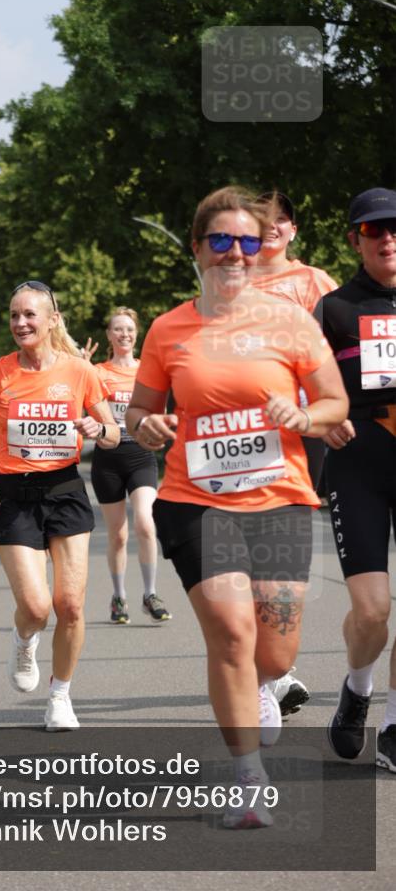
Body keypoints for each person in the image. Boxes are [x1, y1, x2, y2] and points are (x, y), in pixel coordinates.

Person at [126, 186, 347, 828]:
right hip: (196, 501)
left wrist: (304, 416)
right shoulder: (169, 329)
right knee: (230, 632)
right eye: (220, 240)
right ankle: (248, 781)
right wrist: (147, 426)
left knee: (273, 655)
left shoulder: (290, 322)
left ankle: (263, 688)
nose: (235, 252)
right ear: (198, 248)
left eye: (247, 240)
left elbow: (333, 402)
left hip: (279, 501)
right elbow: (139, 411)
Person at [0, 279, 120, 731]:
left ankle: (60, 696)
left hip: (65, 490)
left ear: (53, 320)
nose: (20, 323)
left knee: (70, 605)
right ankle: (24, 639)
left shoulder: (80, 371)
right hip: (14, 495)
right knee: (36, 607)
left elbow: (113, 433)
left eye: (30, 314)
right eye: (14, 315)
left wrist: (97, 430)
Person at [251, 191, 338, 717]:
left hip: (306, 427)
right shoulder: (232, 280)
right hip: (249, 429)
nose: (272, 227)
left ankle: (274, 670)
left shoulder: (314, 281)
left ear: (293, 229)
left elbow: (340, 345)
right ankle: (270, 673)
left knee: (283, 546)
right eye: (263, 220)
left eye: (281, 220)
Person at [321, 187, 396, 773]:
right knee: (373, 612)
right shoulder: (335, 309)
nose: (387, 238)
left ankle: (393, 726)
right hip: (358, 464)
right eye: (374, 230)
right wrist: (322, 418)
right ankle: (358, 685)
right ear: (355, 240)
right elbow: (300, 385)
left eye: (395, 227)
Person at [90, 307, 171, 625]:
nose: (124, 334)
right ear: (109, 335)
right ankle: (119, 597)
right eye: (118, 329)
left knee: (146, 524)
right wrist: (80, 369)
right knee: (118, 536)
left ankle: (150, 594)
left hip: (141, 455)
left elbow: (159, 408)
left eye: (129, 329)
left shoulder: (147, 371)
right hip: (108, 458)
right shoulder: (97, 372)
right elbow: (82, 403)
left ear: (137, 335)